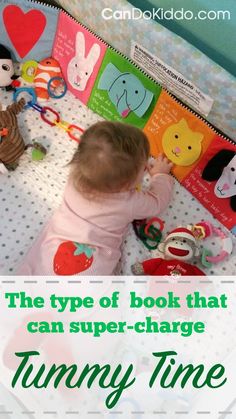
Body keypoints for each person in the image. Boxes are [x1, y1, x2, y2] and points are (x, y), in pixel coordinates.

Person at [17, 121, 174, 275]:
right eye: (143, 167)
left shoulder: (76, 177)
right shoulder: (129, 202)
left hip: (55, 247)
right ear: (126, 184)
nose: (147, 167)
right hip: (91, 261)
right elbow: (157, 202)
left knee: (36, 271)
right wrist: (160, 176)